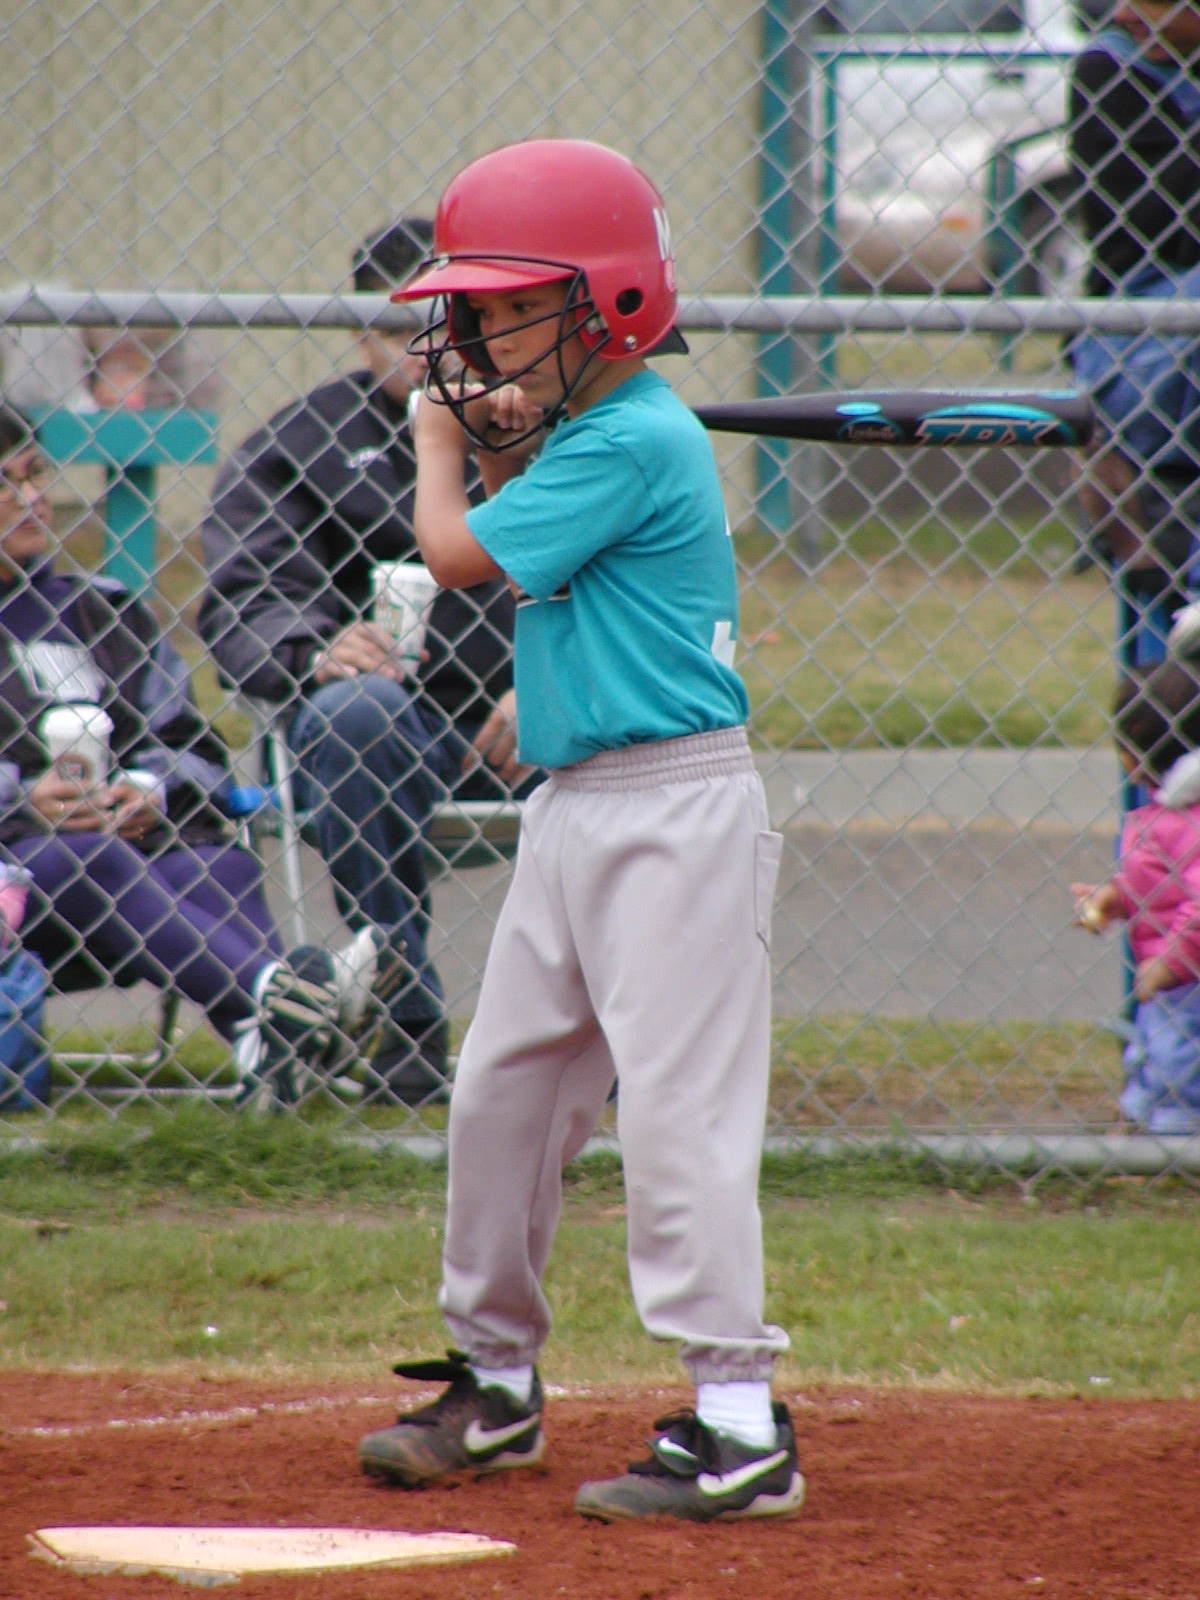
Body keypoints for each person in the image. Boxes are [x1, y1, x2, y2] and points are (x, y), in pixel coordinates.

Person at [355, 139, 802, 1524]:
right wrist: (499, 428)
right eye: (475, 310)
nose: (480, 336)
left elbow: (456, 555)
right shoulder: (596, 432)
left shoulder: (633, 437)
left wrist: (441, 439)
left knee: (677, 1117)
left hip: (673, 813)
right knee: (503, 1095)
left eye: (508, 308)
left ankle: (740, 1424)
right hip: (574, 806)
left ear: (609, 302)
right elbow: (535, 514)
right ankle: (495, 1382)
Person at [198, 218, 526, 1108]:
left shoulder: (536, 419)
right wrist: (311, 647)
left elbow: (616, 574)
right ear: (358, 333)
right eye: (399, 328)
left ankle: (603, 1037)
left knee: (622, 720)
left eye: (451, 324)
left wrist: (553, 674)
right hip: (375, 737)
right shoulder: (299, 444)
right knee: (355, 714)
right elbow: (243, 593)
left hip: (524, 728)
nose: (427, 350)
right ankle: (406, 1016)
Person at [0, 404, 380, 1110]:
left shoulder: (100, 609)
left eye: (36, 475)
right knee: (88, 859)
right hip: (21, 875)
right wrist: (23, 797)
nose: (31, 498)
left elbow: (191, 744)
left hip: (124, 862)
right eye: (6, 482)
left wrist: (148, 787)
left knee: (218, 864)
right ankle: (287, 997)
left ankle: (268, 1046)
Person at [1067, 0, 1200, 648]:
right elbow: (1150, 226)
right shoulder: (1110, 69)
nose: (1123, 13)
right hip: (1141, 332)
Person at [1073, 658, 1200, 1134]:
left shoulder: (1189, 823)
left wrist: (1172, 963)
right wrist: (1117, 896)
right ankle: (1140, 1120)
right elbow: (1162, 885)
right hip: (1168, 981)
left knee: (1178, 1063)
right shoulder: (1166, 817)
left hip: (1187, 982)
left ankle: (1177, 1138)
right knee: (1151, 1049)